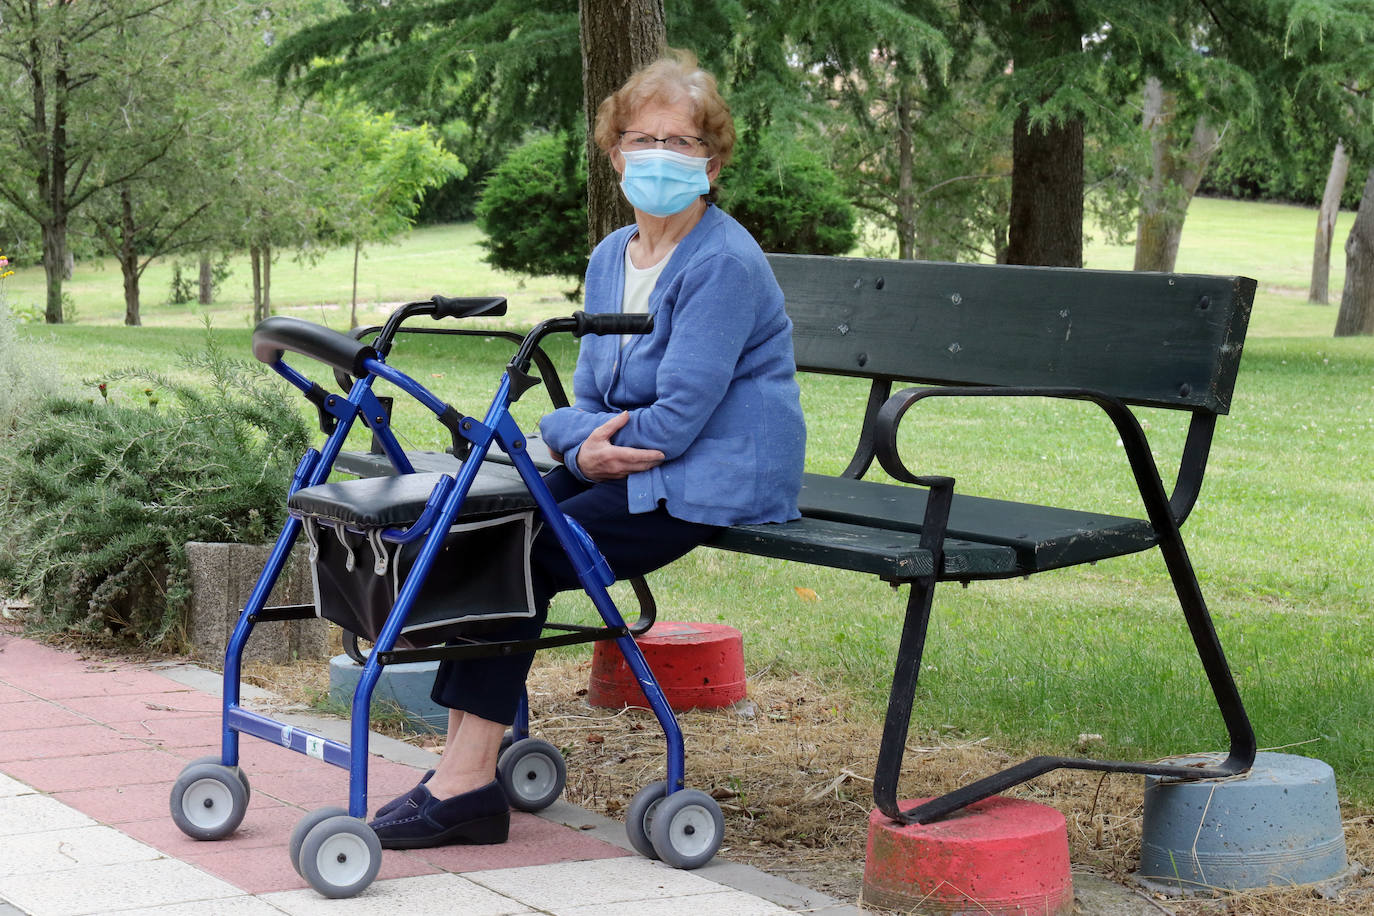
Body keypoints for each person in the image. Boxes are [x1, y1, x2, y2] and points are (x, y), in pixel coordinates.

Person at [367, 49, 806, 850]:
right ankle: (461, 768)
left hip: (713, 477)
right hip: (626, 462)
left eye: (680, 144)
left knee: (525, 551)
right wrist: (581, 446)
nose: (659, 159)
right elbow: (586, 399)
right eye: (643, 140)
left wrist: (593, 451)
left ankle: (465, 782)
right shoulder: (612, 256)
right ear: (615, 154)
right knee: (485, 525)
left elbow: (677, 421)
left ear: (711, 163)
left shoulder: (724, 264)